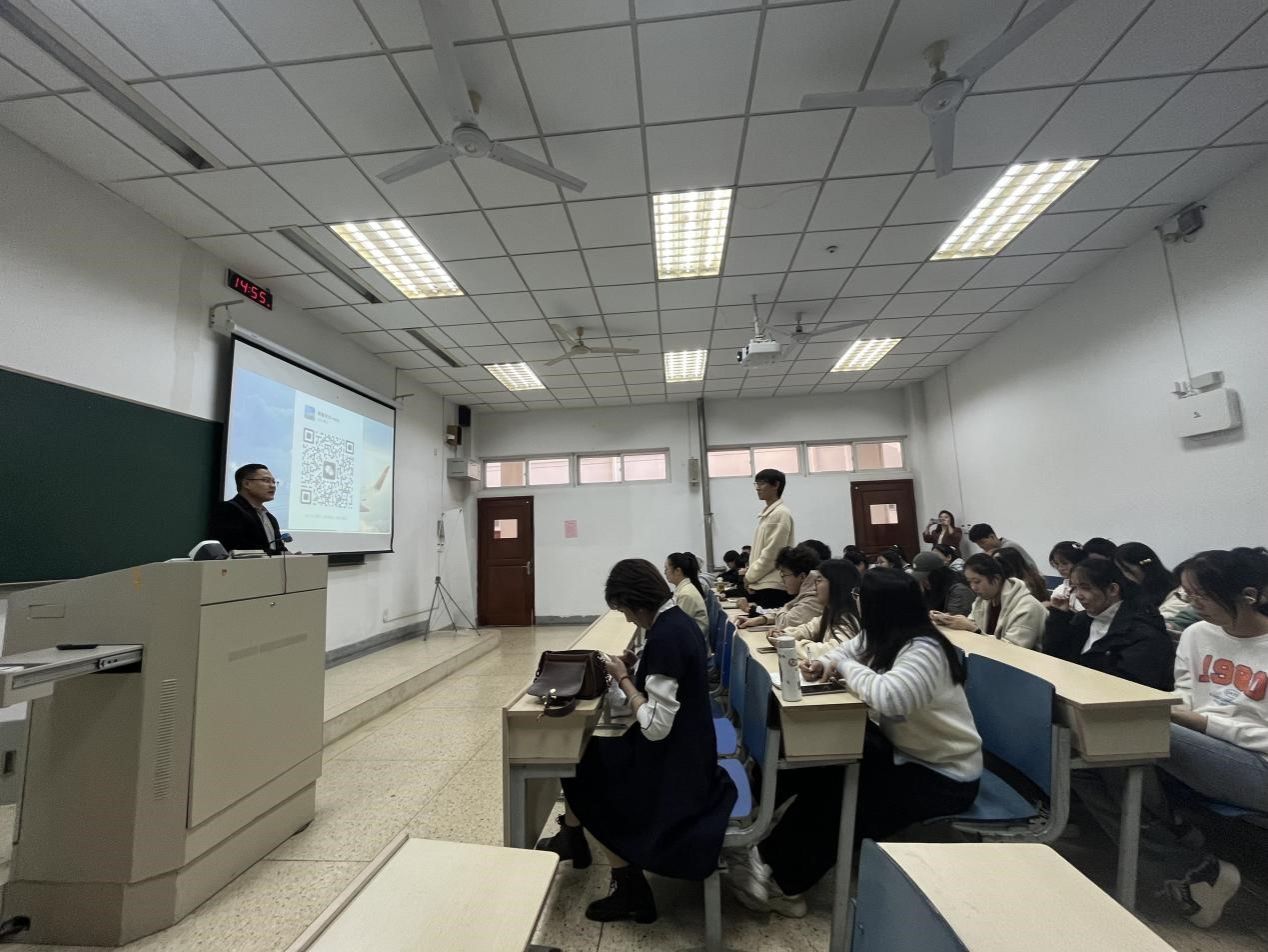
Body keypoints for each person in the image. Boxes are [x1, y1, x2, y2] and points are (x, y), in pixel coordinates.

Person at [725, 568, 981, 916]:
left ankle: (783, 884)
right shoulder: (884, 635)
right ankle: (763, 850)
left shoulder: (925, 649)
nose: (856, 602)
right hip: (905, 752)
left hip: (945, 776)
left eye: (862, 597)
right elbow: (844, 652)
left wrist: (845, 668)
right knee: (827, 767)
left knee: (847, 799)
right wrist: (822, 664)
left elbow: (890, 697)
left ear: (880, 605)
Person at [1068, 548, 1268, 929]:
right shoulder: (1197, 634)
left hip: (1257, 766)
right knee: (1081, 762)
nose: (1192, 604)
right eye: (1187, 594)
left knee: (1117, 733)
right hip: (1194, 742)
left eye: (1201, 595)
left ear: (1248, 596)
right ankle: (1190, 867)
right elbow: (1185, 693)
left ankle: (1179, 840)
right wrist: (1188, 718)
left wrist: (1204, 725)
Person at [537, 559, 737, 923]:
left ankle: (628, 887)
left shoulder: (665, 637)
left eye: (625, 610)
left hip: (677, 771)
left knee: (583, 769)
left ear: (637, 602)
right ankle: (574, 837)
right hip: (690, 751)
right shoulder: (676, 623)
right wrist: (636, 670)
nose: (628, 619)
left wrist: (625, 680)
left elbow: (656, 727)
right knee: (587, 754)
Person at [1042, 557, 1174, 689]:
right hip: (1077, 691)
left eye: (1085, 588)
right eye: (1075, 588)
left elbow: (1129, 685)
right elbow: (1055, 659)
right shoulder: (1082, 619)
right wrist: (1059, 616)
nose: (1078, 595)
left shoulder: (1143, 631)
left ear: (1112, 589)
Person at [935, 553, 1046, 649]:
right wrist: (949, 621)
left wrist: (974, 630)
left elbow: (1013, 651)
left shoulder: (1027, 607)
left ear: (996, 579)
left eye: (977, 581)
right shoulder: (982, 601)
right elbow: (970, 624)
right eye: (969, 582)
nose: (973, 587)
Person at [772, 558, 863, 660]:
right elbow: (808, 629)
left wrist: (788, 643)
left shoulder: (848, 619)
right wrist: (783, 634)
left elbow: (832, 652)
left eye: (819, 580)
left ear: (836, 584)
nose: (815, 586)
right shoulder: (830, 613)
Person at [1115, 542, 1200, 640]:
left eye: (1125, 570)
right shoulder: (1129, 592)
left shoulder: (1180, 593)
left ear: (1144, 567)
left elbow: (1168, 621)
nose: (1121, 575)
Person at [741, 469, 795, 609]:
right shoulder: (769, 514)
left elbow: (772, 554)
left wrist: (750, 576)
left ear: (776, 485)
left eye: (762, 483)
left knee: (766, 622)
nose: (758, 488)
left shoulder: (780, 514)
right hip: (763, 582)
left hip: (773, 586)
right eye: (756, 484)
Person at [736, 545, 822, 632]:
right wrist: (762, 619)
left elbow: (785, 622)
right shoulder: (806, 592)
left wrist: (787, 606)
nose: (782, 579)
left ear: (802, 576)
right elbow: (784, 613)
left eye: (784, 575)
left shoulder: (814, 598)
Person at [209, 463, 288, 554]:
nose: (272, 485)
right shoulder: (229, 509)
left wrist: (293, 557)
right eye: (266, 480)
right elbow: (239, 548)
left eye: (274, 482)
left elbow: (279, 549)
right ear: (246, 484)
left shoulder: (270, 518)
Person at [911, 551, 973, 616]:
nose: (923, 582)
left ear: (938, 575)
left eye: (925, 578)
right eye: (920, 579)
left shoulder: (959, 590)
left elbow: (953, 620)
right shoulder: (933, 590)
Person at [665, 552, 709, 643]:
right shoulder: (683, 589)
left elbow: (678, 628)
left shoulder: (686, 594)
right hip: (689, 641)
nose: (665, 572)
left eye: (667, 569)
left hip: (694, 645)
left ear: (678, 571)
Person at [967, 523, 1037, 571]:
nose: (981, 546)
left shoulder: (1009, 547)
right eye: (978, 544)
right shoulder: (986, 552)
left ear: (992, 536)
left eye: (982, 542)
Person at [1048, 540, 1087, 612]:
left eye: (1065, 563)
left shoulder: (1091, 590)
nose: (1060, 568)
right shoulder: (1059, 591)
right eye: (1057, 564)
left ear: (1079, 562)